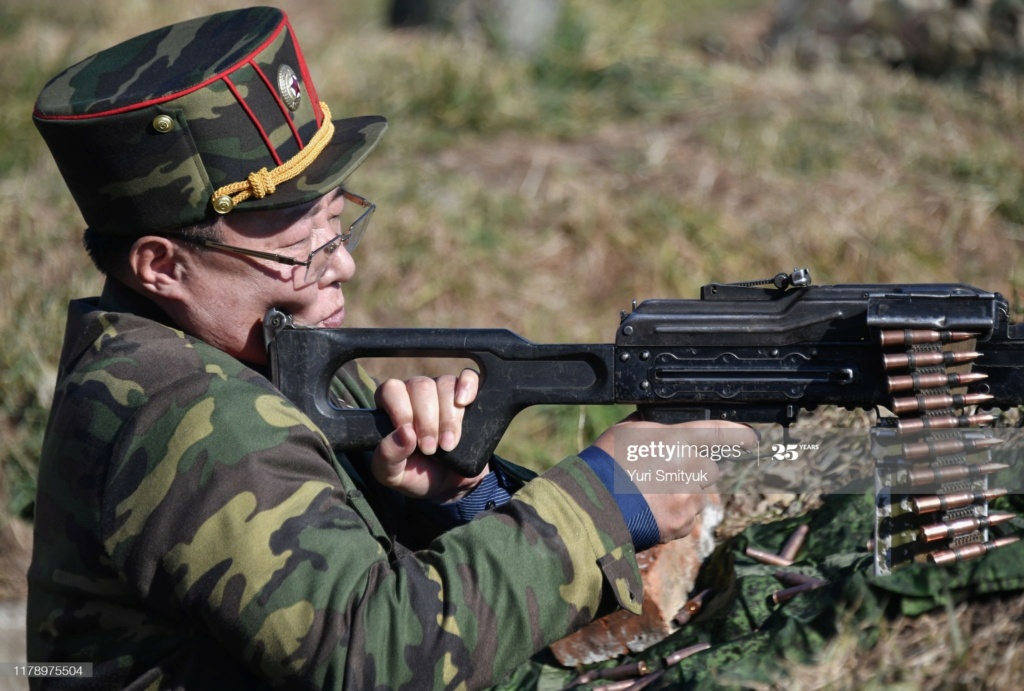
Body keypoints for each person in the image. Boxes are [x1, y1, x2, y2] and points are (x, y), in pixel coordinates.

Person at [27, 7, 755, 689]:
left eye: (338, 225)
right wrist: (605, 497)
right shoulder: (193, 416)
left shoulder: (244, 350)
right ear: (162, 266)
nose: (341, 265)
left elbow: (336, 580)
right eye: (296, 251)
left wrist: (454, 498)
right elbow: (374, 652)